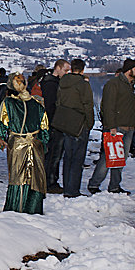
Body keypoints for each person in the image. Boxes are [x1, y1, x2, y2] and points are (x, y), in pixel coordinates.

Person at [0, 73, 49, 214]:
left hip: (17, 144)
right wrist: (44, 142)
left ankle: (16, 208)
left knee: (17, 177)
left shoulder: (8, 103)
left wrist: (0, 138)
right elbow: (44, 127)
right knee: (35, 177)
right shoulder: (37, 103)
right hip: (34, 143)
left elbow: (2, 123)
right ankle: (33, 208)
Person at [87, 58, 135, 195]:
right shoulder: (114, 84)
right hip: (116, 128)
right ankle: (94, 184)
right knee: (107, 158)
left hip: (129, 127)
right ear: (129, 70)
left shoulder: (131, 86)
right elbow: (108, 107)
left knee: (121, 159)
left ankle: (115, 186)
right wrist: (111, 126)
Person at [52, 58, 94, 198]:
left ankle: (67, 187)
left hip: (66, 123)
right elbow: (88, 105)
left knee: (68, 157)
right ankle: (73, 190)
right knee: (78, 158)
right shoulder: (83, 84)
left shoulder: (62, 82)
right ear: (82, 70)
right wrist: (90, 123)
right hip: (79, 123)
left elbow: (58, 101)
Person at [41, 59, 71, 193]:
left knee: (53, 155)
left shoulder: (52, 82)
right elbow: (50, 106)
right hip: (54, 124)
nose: (67, 73)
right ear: (58, 68)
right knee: (53, 155)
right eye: (65, 70)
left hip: (54, 123)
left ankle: (50, 180)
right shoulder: (51, 84)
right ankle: (49, 182)